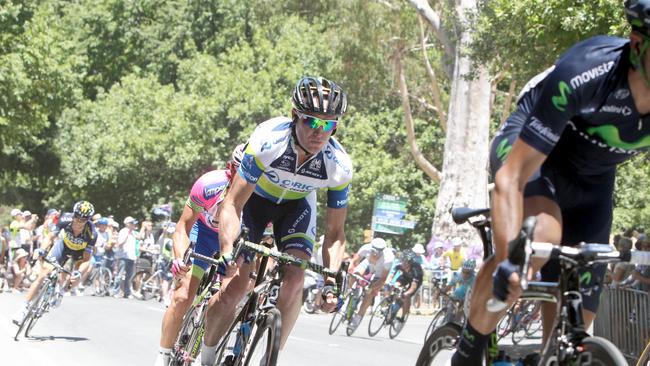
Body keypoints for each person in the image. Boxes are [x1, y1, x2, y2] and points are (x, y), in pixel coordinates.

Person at [451, 2, 650, 364]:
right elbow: (510, 178)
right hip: (533, 155)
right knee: (539, 240)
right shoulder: (588, 71)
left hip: (593, 182)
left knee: (573, 330)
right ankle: (468, 349)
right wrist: (510, 257)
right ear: (638, 46)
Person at [200, 76, 351, 365]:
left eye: (329, 124)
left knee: (295, 279)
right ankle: (207, 356)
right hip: (254, 202)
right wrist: (229, 249)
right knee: (235, 286)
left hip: (296, 207)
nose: (320, 133)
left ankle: (270, 356)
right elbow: (233, 203)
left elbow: (335, 233)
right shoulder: (268, 141)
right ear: (295, 116)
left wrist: (330, 281)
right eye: (312, 122)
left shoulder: (338, 165)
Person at [153, 145, 243, 366]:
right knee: (183, 295)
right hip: (202, 235)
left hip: (233, 243)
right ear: (230, 168)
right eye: (240, 172)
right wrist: (178, 258)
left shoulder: (258, 196)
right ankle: (163, 354)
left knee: (230, 299)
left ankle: (210, 345)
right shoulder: (208, 185)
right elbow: (183, 226)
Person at [12, 201, 96, 324]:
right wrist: (41, 249)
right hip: (64, 246)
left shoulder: (92, 233)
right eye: (77, 218)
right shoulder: (65, 219)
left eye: (83, 220)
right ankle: (24, 308)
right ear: (73, 215)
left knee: (74, 278)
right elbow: (50, 237)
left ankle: (62, 291)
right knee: (44, 273)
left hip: (80, 253)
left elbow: (86, 259)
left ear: (88, 220)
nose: (79, 222)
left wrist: (78, 273)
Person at [347, 237, 395, 330]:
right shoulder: (365, 248)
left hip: (379, 273)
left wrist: (372, 288)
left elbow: (382, 279)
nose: (375, 255)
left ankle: (358, 317)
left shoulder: (388, 258)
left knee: (370, 294)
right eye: (373, 252)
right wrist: (351, 269)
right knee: (355, 274)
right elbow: (354, 261)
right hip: (368, 264)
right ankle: (350, 292)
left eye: (377, 254)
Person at [386, 249, 423, 321]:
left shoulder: (416, 270)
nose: (403, 263)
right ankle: (390, 304)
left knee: (406, 296)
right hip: (405, 277)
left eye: (405, 261)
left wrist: (406, 293)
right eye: (402, 260)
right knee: (394, 285)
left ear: (410, 262)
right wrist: (390, 285)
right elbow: (392, 276)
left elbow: (413, 287)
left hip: (414, 281)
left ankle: (403, 316)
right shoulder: (400, 266)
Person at [117, 216, 138, 298]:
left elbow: (139, 238)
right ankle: (117, 291)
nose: (133, 224)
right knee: (120, 274)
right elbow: (120, 244)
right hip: (123, 256)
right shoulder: (123, 231)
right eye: (131, 223)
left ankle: (127, 292)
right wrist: (128, 234)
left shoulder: (133, 233)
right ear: (127, 224)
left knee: (129, 276)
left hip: (131, 257)